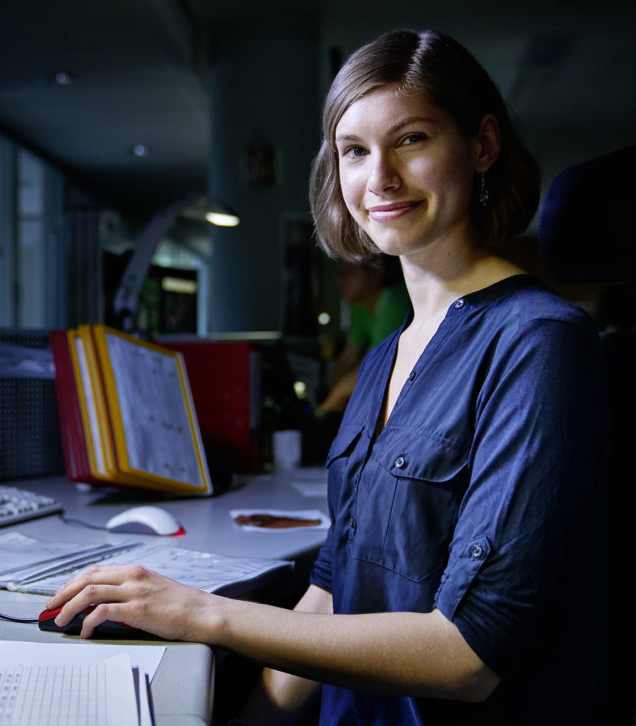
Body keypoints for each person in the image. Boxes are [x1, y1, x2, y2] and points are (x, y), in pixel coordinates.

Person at [45, 29, 607, 725]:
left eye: (412, 140)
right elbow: (336, 588)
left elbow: (468, 657)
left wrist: (203, 615)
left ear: (483, 146)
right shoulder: (383, 359)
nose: (380, 179)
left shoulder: (539, 343)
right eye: (355, 151)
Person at [318, 258, 410, 413]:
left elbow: (373, 370)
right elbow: (348, 357)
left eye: (349, 272)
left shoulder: (393, 302)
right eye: (340, 272)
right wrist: (332, 397)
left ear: (375, 274)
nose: (340, 279)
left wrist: (324, 410)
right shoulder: (360, 304)